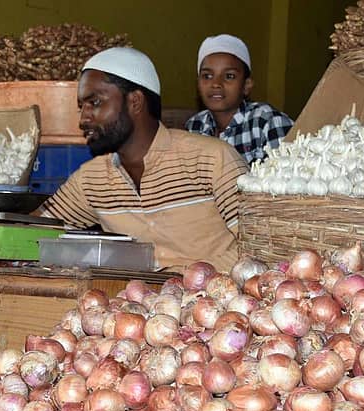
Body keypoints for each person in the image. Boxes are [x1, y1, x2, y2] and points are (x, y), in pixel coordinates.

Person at [40, 47, 248, 270]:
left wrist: (182, 278)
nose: (83, 119)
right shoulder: (91, 180)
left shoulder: (211, 160)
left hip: (213, 291)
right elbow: (38, 231)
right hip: (132, 294)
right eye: (82, 107)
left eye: (95, 103)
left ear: (135, 102)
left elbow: (261, 246)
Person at [185, 35, 294, 165]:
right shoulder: (194, 127)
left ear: (246, 85)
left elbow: (289, 173)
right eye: (207, 76)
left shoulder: (266, 122)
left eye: (229, 76)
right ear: (198, 84)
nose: (216, 84)